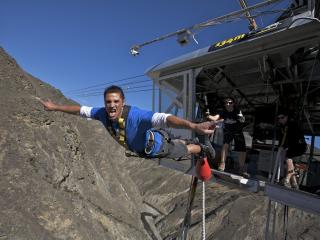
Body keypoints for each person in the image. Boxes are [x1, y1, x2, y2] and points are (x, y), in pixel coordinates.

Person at [40, 85, 216, 159]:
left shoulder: (136, 115)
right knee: (176, 139)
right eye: (108, 102)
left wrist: (193, 126)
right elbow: (79, 110)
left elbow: (164, 118)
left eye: (116, 102)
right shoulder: (100, 113)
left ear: (123, 102)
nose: (112, 106)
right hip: (152, 137)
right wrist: (55, 107)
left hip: (156, 145)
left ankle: (202, 148)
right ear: (104, 103)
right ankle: (191, 138)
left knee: (181, 149)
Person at [207, 97, 247, 176]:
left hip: (237, 131)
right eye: (226, 103)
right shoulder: (223, 112)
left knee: (242, 148)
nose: (228, 104)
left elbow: (242, 118)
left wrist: (241, 118)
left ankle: (242, 168)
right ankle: (222, 164)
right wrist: (208, 115)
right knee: (225, 145)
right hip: (228, 131)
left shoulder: (237, 110)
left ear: (233, 103)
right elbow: (215, 118)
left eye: (230, 102)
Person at [277, 109, 307, 189]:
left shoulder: (291, 125)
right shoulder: (285, 126)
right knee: (290, 164)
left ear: (286, 117)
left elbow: (290, 138)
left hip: (298, 146)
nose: (280, 120)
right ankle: (294, 183)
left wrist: (284, 146)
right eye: (279, 118)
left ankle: (287, 180)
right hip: (297, 147)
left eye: (282, 117)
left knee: (288, 159)